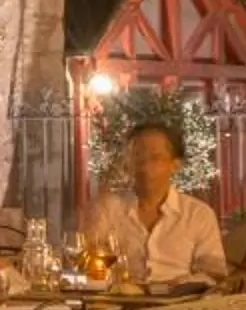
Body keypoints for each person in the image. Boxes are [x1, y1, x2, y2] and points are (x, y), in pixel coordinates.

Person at [97, 122, 228, 285]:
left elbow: (213, 273)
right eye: (137, 157)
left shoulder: (197, 214)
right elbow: (89, 262)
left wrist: (178, 286)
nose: (144, 166)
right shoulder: (108, 209)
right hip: (120, 303)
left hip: (181, 304)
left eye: (155, 158)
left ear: (175, 165)